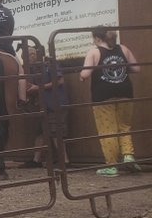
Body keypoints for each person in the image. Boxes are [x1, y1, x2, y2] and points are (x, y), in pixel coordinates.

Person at [79, 27, 141, 176]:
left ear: (97, 38)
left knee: (107, 130)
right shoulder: (123, 49)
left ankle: (112, 165)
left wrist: (81, 75)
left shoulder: (94, 52)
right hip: (125, 92)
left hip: (103, 94)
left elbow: (86, 73)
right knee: (124, 126)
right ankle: (128, 156)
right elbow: (137, 68)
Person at [22, 46, 70, 168]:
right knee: (41, 132)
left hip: (56, 103)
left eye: (32, 54)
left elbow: (59, 81)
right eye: (26, 56)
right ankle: (36, 160)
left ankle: (64, 161)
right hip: (43, 105)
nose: (29, 57)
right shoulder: (30, 70)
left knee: (55, 132)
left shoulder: (50, 63)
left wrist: (37, 88)